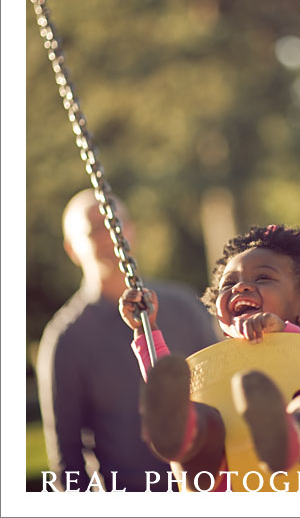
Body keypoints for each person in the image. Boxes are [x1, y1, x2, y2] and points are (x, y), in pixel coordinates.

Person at [120, 224, 300, 492]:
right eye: (229, 284)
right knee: (197, 412)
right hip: (229, 484)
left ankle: (292, 436)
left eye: (263, 278)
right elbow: (170, 392)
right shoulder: (217, 363)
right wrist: (146, 330)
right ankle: (181, 434)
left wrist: (281, 329)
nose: (241, 287)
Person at [36, 188, 219, 492]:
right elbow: (66, 461)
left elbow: (220, 394)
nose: (109, 236)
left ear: (131, 230)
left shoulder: (185, 307)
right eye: (95, 229)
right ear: (72, 248)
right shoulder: (66, 338)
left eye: (116, 224)